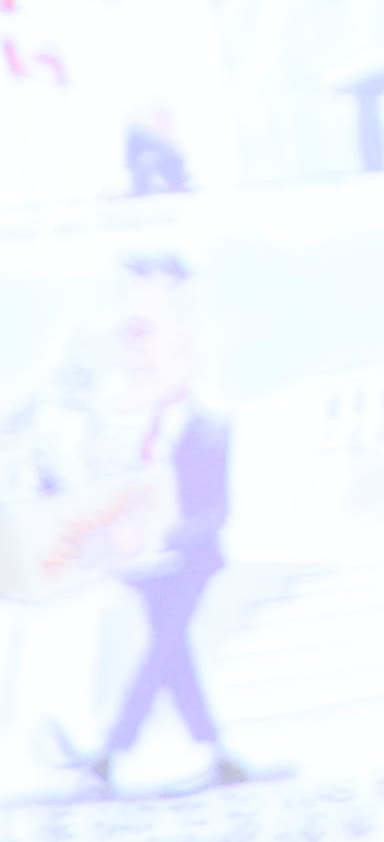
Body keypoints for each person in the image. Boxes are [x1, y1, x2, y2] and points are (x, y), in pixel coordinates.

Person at [70, 251, 243, 791]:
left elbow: (217, 511)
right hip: (144, 566)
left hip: (190, 560)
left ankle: (110, 752)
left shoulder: (211, 425)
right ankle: (215, 753)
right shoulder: (129, 430)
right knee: (173, 657)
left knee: (161, 653)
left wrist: (170, 535)